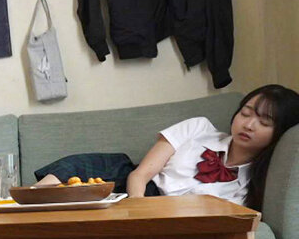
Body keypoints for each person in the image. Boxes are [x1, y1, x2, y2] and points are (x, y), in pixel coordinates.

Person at [34, 85, 299, 211]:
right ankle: (27, 207)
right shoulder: (198, 128)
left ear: (280, 132)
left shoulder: (252, 186)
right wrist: (139, 208)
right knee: (82, 167)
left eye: (264, 122)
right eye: (245, 113)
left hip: (170, 211)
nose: (248, 125)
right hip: (137, 188)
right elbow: (140, 174)